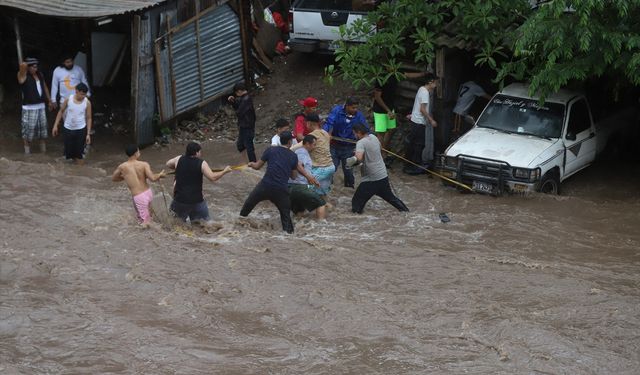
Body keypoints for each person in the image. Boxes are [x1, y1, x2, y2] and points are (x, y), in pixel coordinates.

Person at [240, 131, 319, 233]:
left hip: (265, 186)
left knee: (248, 205)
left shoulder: (270, 150)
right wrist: (292, 166)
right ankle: (289, 236)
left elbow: (257, 166)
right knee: (286, 216)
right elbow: (294, 176)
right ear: (290, 142)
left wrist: (251, 164)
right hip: (281, 189)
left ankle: (239, 224)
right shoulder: (293, 156)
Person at [347, 123, 409, 214]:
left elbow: (359, 158)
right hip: (382, 175)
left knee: (356, 203)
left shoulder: (360, 143)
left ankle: (357, 221)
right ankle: (406, 212)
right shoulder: (374, 137)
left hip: (371, 179)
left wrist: (350, 160)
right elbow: (379, 149)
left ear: (359, 132)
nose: (354, 136)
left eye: (355, 133)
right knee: (391, 198)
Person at [166, 142, 232, 224]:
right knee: (204, 226)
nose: (201, 154)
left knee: (176, 225)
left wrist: (177, 168)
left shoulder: (178, 159)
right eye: (200, 152)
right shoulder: (201, 163)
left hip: (179, 201)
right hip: (196, 201)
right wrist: (225, 171)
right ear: (196, 152)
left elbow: (168, 164)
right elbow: (213, 177)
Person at [372, 70, 426, 153]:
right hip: (380, 110)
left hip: (390, 107)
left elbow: (408, 74)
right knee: (381, 133)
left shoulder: (395, 74)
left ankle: (384, 150)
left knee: (392, 129)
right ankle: (379, 154)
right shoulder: (380, 78)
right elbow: (377, 97)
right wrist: (388, 111)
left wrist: (422, 74)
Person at [112, 144, 166, 226]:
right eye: (138, 151)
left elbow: (114, 178)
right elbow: (153, 178)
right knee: (150, 217)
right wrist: (160, 175)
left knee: (145, 222)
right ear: (135, 153)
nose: (139, 152)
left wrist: (126, 177)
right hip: (148, 192)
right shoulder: (144, 164)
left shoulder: (122, 167)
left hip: (138, 196)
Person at [323, 97, 369, 188]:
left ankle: (349, 187)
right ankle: (327, 186)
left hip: (349, 147)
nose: (355, 110)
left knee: (348, 169)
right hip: (334, 144)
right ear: (347, 106)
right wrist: (327, 134)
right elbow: (329, 123)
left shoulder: (359, 116)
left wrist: (369, 140)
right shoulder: (337, 111)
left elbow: (365, 129)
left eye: (356, 108)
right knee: (331, 167)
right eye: (353, 108)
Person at [291, 112, 335, 196]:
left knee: (305, 186)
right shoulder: (325, 133)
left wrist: (284, 150)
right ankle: (324, 206)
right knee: (321, 192)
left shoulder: (312, 135)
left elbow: (296, 147)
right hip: (330, 166)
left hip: (322, 168)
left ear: (309, 123)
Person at [17, 57, 52, 155]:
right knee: (28, 131)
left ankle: (43, 152)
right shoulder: (22, 75)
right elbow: (22, 66)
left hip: (41, 106)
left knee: (42, 131)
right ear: (28, 67)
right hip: (29, 107)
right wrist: (26, 64)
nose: (35, 69)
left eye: (36, 67)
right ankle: (27, 152)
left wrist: (49, 101)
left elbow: (44, 87)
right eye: (32, 67)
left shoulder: (39, 75)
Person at [404, 73, 438, 175]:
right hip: (419, 122)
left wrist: (412, 115)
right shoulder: (425, 93)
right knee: (419, 144)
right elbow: (422, 109)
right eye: (436, 83)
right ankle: (413, 167)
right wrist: (431, 120)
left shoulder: (421, 89)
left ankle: (409, 165)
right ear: (430, 82)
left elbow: (417, 106)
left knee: (413, 143)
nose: (436, 85)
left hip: (416, 120)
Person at [289, 135, 327, 219]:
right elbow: (299, 166)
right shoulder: (302, 153)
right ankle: (322, 227)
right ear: (307, 144)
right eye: (314, 144)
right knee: (321, 204)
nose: (315, 147)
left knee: (299, 213)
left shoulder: (296, 152)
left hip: (290, 188)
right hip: (299, 187)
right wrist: (311, 178)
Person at [52, 83, 92, 164]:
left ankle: (79, 171)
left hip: (81, 130)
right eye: (82, 94)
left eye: (84, 94)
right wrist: (55, 125)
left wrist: (88, 134)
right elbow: (61, 111)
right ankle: (70, 173)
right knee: (68, 154)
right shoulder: (68, 99)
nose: (83, 96)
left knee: (79, 154)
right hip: (68, 129)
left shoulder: (87, 102)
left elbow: (89, 118)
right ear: (76, 91)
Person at [228, 82, 256, 162]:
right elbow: (239, 106)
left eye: (236, 93)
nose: (236, 95)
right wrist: (233, 102)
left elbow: (239, 112)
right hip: (244, 126)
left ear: (239, 91)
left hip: (248, 126)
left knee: (249, 146)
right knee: (240, 145)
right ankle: (246, 162)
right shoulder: (244, 98)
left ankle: (253, 164)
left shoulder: (246, 99)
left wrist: (234, 103)